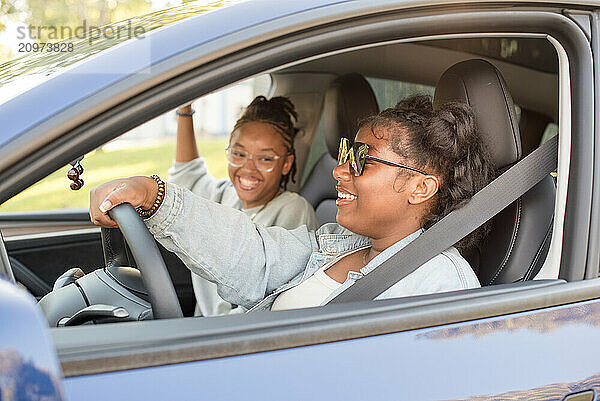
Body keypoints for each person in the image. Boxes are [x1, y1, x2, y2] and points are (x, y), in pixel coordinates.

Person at [90, 94, 495, 312]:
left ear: (421, 188)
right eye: (343, 152)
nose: (340, 170)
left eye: (361, 159)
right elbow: (255, 256)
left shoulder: (439, 284)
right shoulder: (338, 242)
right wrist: (156, 197)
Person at [168, 96, 318, 315]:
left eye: (265, 159)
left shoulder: (293, 211)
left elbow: (270, 301)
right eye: (238, 154)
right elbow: (186, 174)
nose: (248, 169)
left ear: (286, 164)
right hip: (202, 330)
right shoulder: (221, 195)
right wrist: (185, 109)